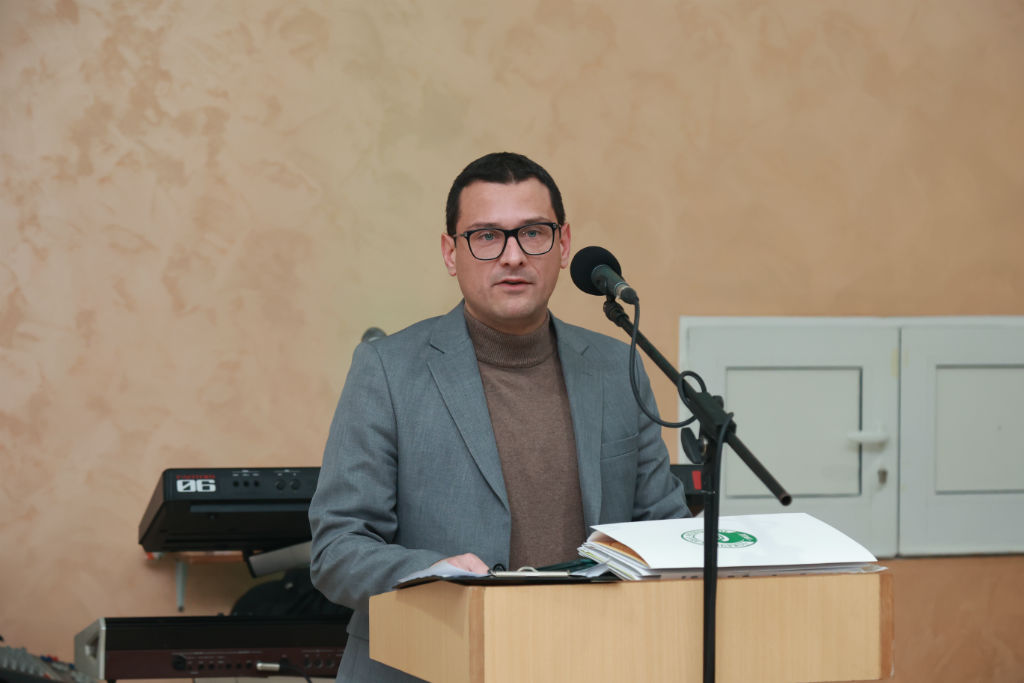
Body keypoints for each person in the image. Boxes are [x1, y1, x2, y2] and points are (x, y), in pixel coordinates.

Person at [309, 152, 688, 682]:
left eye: (532, 233)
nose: (513, 256)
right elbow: (337, 549)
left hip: (590, 662)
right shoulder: (387, 370)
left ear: (563, 245)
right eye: (486, 236)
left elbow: (664, 530)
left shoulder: (615, 365)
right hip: (426, 663)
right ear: (451, 253)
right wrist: (427, 573)